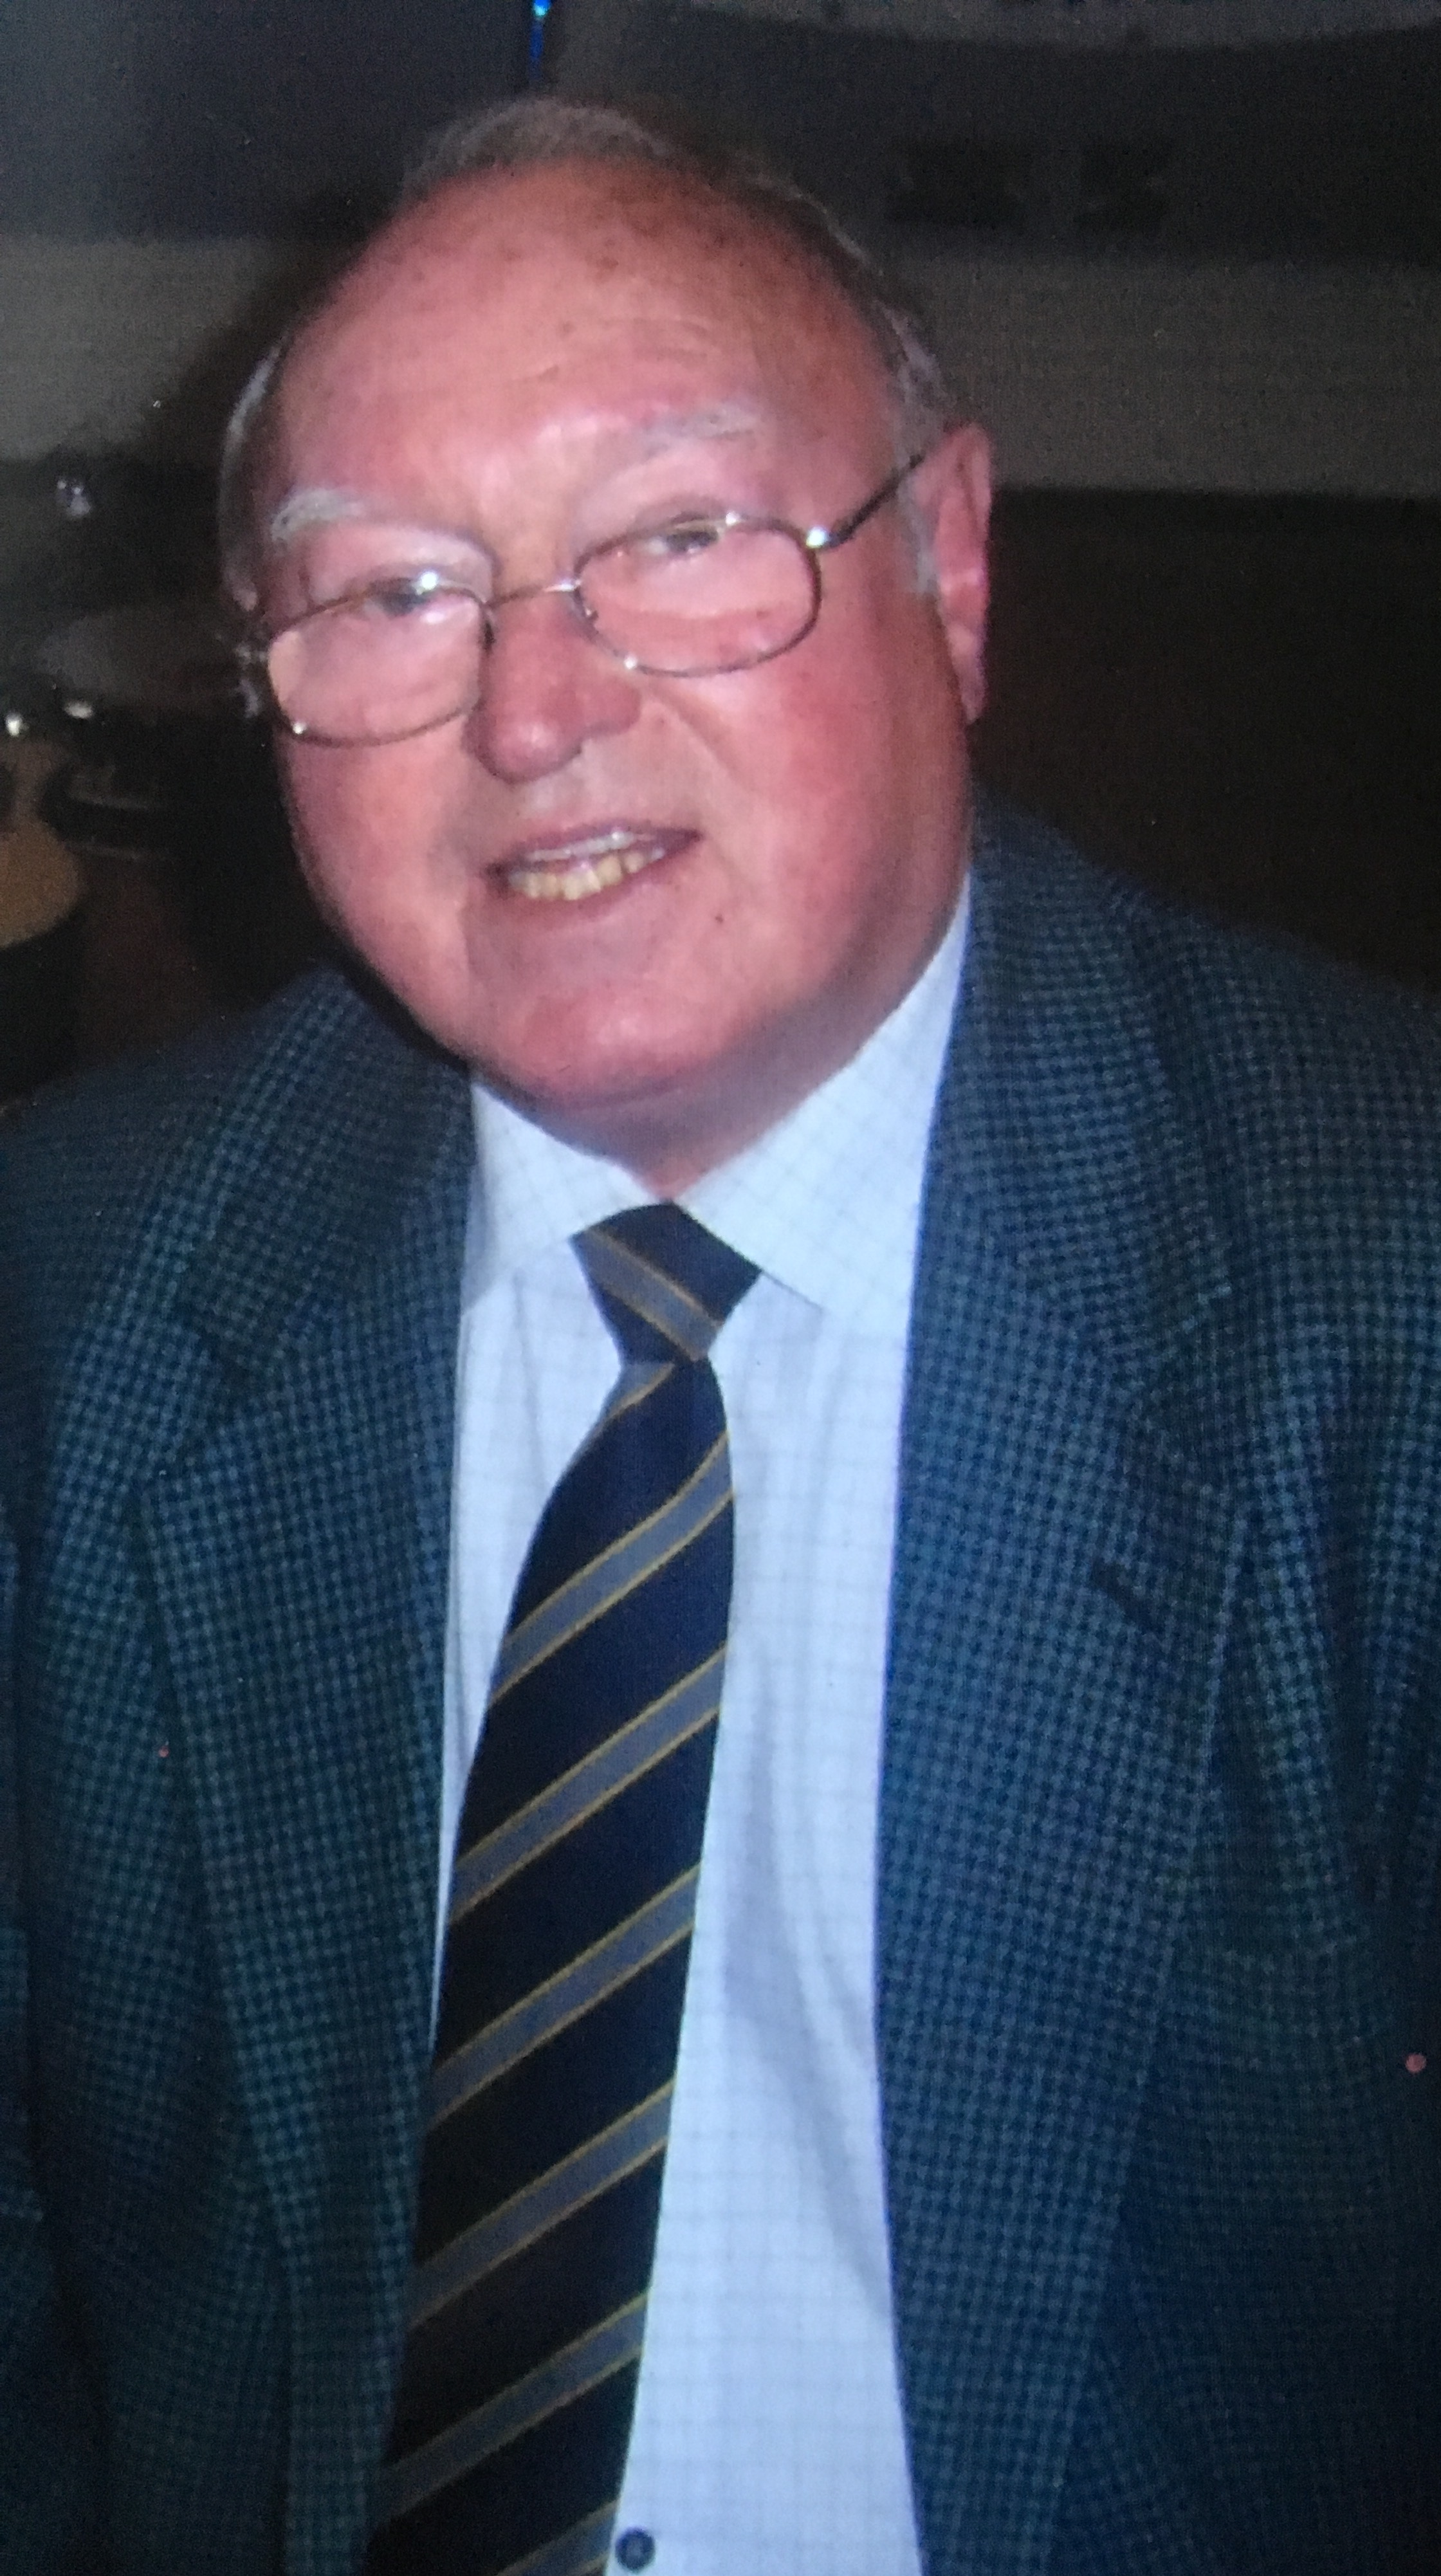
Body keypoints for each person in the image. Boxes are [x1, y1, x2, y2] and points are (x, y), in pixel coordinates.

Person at [2, 95, 1439, 2576]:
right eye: (393, 592)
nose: (534, 710)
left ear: (949, 569)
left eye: (677, 540)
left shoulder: (1384, 1271)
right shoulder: (74, 1293)